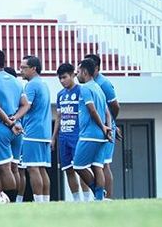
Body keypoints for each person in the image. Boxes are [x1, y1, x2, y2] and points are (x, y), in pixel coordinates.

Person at [0, 49, 30, 203]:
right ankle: (3, 201)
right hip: (17, 129)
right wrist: (15, 119)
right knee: (12, 168)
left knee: (4, 169)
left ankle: (12, 203)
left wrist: (9, 123)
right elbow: (25, 105)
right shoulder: (16, 81)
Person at [73, 59, 113, 201]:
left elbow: (91, 109)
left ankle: (98, 192)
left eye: (77, 72)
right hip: (101, 135)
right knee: (97, 166)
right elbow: (107, 112)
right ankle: (99, 198)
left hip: (89, 134)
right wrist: (108, 129)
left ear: (84, 72)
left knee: (78, 165)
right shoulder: (98, 88)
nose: (76, 75)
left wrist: (103, 126)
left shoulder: (85, 88)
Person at [51, 63, 92, 202]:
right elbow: (59, 116)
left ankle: (87, 199)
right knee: (68, 170)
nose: (62, 81)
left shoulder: (82, 91)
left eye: (64, 77)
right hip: (63, 137)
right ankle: (77, 201)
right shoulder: (60, 95)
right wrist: (53, 137)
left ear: (73, 75)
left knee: (80, 168)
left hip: (77, 135)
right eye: (60, 79)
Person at [85, 53, 120, 199]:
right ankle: (100, 195)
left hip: (105, 128)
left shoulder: (103, 83)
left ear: (97, 67)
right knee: (96, 164)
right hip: (96, 128)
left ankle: (108, 198)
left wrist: (110, 124)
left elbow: (115, 106)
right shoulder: (89, 83)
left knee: (104, 164)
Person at [19, 55, 51, 203]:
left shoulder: (31, 85)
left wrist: (13, 118)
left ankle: (38, 202)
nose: (21, 70)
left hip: (32, 131)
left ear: (34, 68)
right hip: (44, 132)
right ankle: (45, 201)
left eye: (24, 68)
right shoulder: (43, 84)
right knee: (42, 168)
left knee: (32, 168)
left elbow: (27, 106)